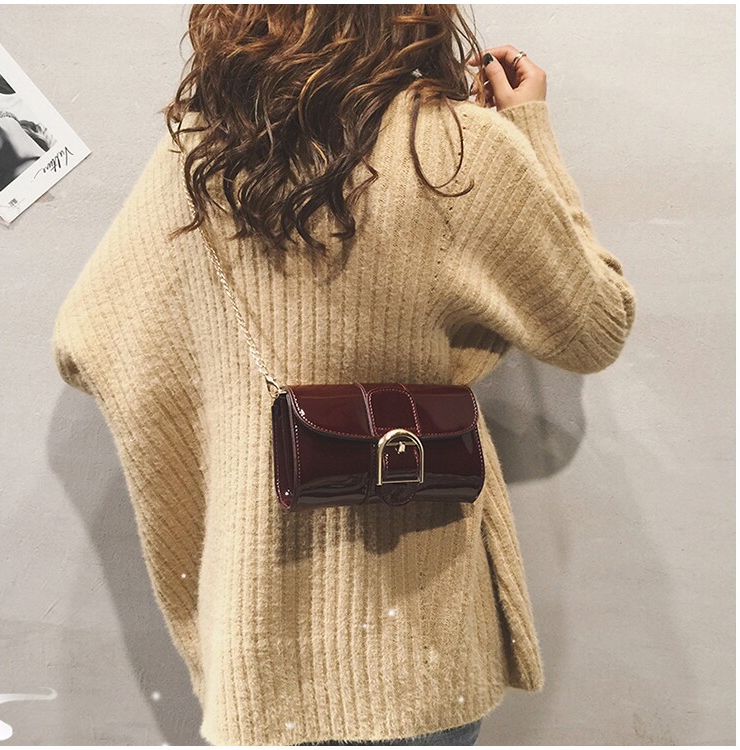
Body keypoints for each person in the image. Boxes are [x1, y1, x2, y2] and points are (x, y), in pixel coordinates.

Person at [51, 5, 636, 747]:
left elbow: (84, 338)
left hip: (260, 640)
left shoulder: (196, 154)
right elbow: (598, 327)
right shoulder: (455, 148)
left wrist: (225, 436)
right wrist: (529, 132)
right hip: (415, 647)